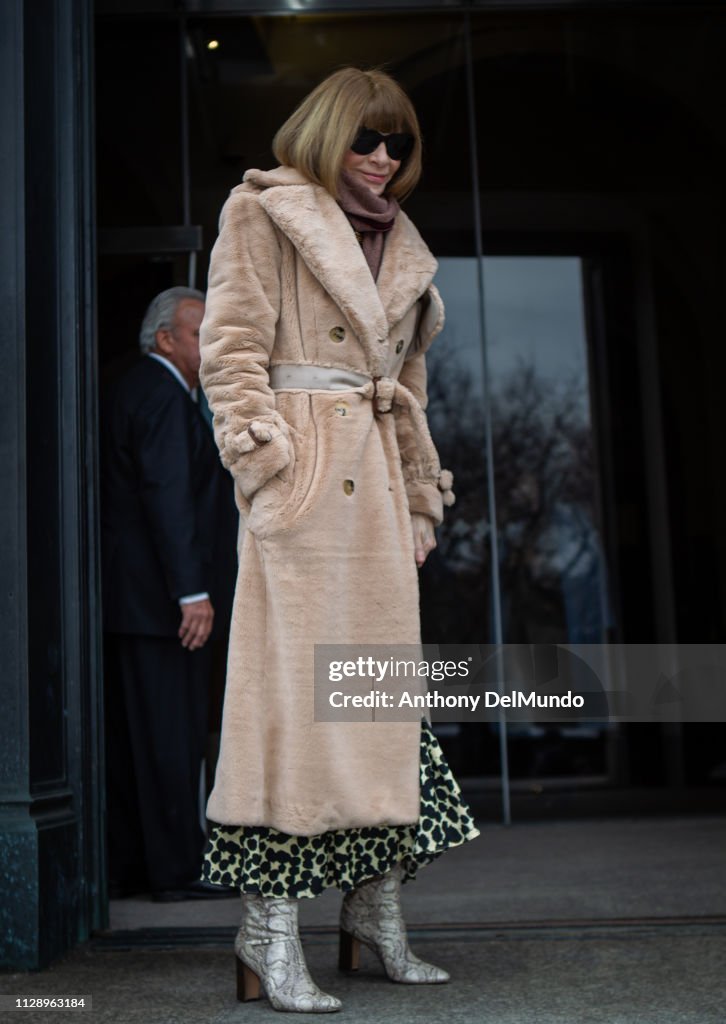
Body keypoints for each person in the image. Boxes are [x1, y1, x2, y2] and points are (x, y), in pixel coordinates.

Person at [199, 68, 479, 1012]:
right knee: (295, 721)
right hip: (306, 493)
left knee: (385, 716)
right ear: (326, 138)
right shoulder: (263, 213)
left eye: (398, 145)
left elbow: (410, 394)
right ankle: (267, 934)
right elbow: (230, 347)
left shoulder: (404, 248)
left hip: (376, 507)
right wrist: (265, 463)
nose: (384, 160)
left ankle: (372, 915)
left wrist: (417, 508)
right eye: (367, 140)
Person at [101, 286, 236, 902]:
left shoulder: (147, 391)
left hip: (142, 607)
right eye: (200, 334)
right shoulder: (161, 396)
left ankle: (140, 867)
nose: (210, 346)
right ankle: (176, 870)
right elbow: (168, 499)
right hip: (164, 610)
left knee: (143, 742)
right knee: (168, 740)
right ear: (166, 340)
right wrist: (192, 593)